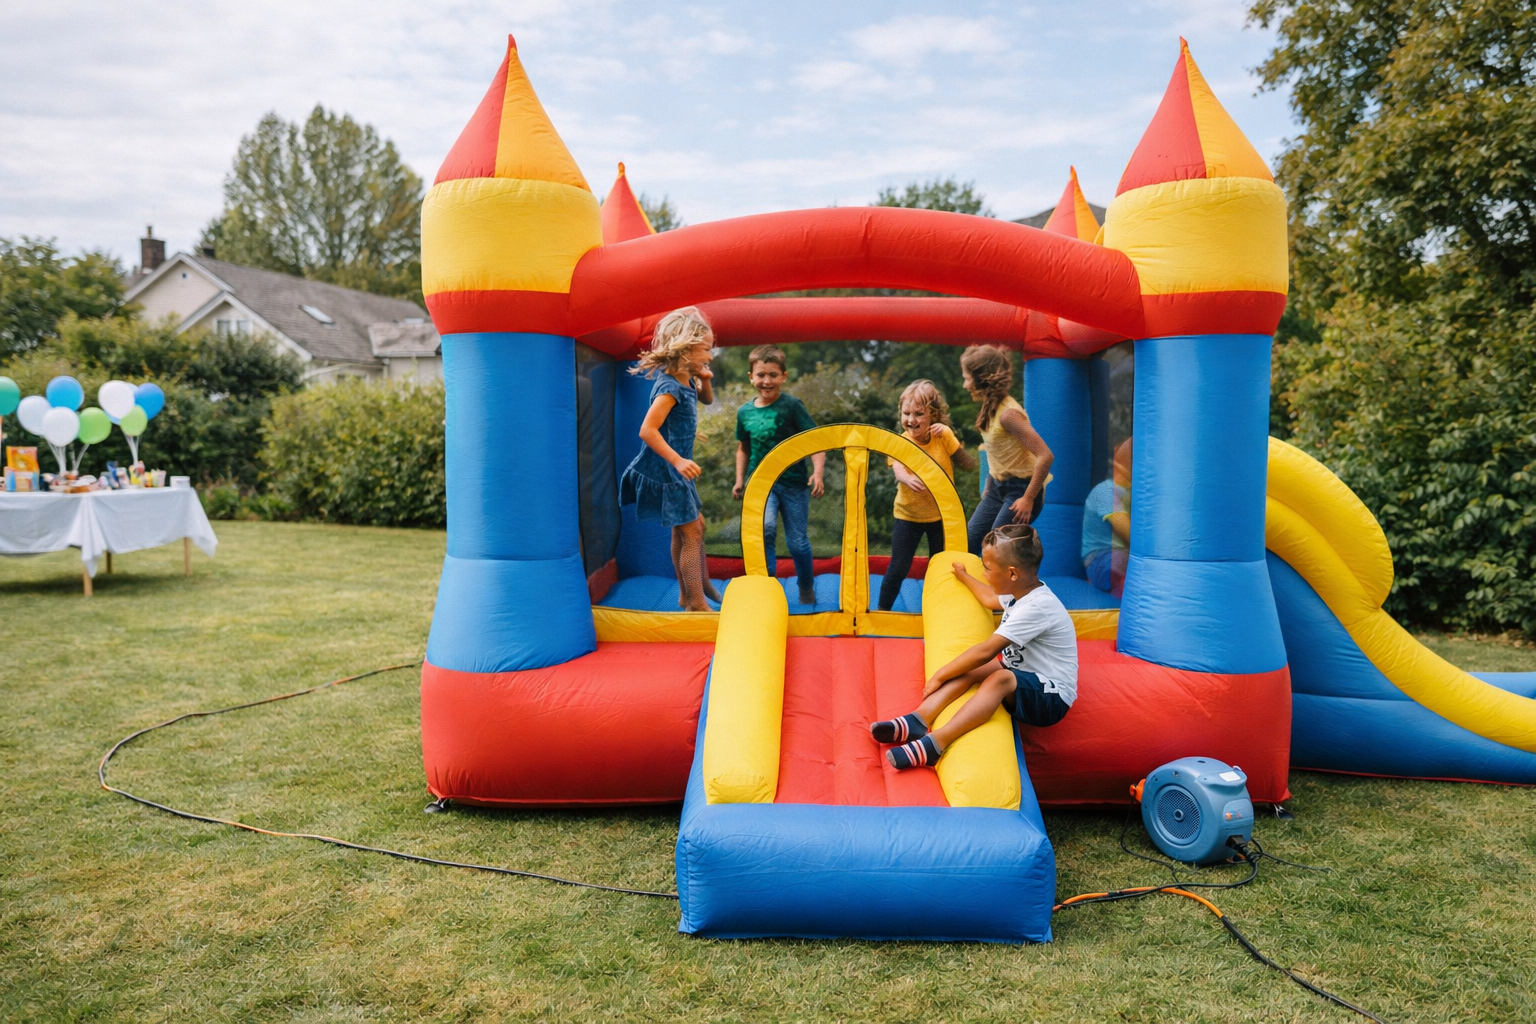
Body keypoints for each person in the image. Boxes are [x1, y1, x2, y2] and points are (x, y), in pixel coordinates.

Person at [869, 524, 1077, 770]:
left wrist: (941, 675)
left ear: (1012, 573)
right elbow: (989, 598)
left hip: (1052, 696)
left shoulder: (1037, 607)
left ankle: (936, 743)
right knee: (978, 669)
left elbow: (986, 651)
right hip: (1025, 675)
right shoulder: (1020, 591)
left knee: (999, 676)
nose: (985, 573)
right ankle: (918, 719)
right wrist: (963, 576)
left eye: (987, 568)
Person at [618, 307, 719, 612]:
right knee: (692, 532)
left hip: (674, 470)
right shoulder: (670, 388)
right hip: (667, 471)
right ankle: (696, 602)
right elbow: (647, 430)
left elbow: (706, 400)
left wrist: (705, 380)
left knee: (687, 529)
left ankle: (689, 594)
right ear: (685, 350)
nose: (710, 356)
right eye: (706, 349)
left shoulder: (686, 379)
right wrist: (678, 460)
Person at [733, 345, 825, 607]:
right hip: (761, 484)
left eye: (773, 375)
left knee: (798, 543)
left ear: (784, 376)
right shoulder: (745, 412)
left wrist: (818, 472)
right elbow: (743, 448)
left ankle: (806, 587)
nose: (766, 381)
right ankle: (767, 587)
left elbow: (815, 441)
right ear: (751, 377)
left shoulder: (792, 406)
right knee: (765, 529)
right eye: (761, 375)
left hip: (794, 484)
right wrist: (740, 479)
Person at [878, 379, 977, 611]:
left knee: (941, 566)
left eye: (919, 414)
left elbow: (968, 465)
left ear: (933, 415)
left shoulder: (942, 437)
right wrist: (905, 477)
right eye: (906, 413)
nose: (911, 420)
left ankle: (940, 610)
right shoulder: (900, 441)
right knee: (899, 567)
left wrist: (950, 436)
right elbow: (897, 468)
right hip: (908, 515)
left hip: (940, 516)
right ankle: (882, 610)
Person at [960, 345, 1054, 555]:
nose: (965, 385)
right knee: (970, 539)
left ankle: (1006, 577)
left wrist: (1028, 499)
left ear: (982, 379)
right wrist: (990, 480)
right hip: (998, 487)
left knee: (998, 546)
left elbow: (1046, 456)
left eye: (967, 378)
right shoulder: (990, 406)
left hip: (1022, 490)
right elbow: (998, 449)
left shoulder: (1008, 415)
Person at [1082, 438, 1132, 597]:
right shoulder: (1105, 491)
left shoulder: (1135, 493)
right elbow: (1128, 533)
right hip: (1100, 558)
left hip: (1119, 558)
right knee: (1134, 560)